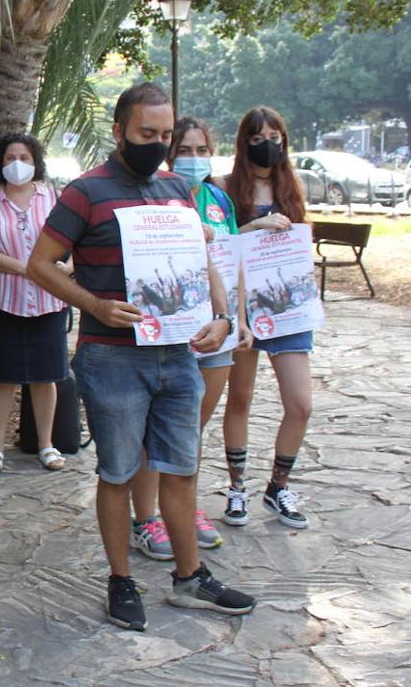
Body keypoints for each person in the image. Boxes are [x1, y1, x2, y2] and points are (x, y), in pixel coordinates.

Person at [27, 83, 256, 631]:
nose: (157, 144)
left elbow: (206, 260)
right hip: (112, 359)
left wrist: (222, 316)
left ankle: (189, 578)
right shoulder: (85, 192)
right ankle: (121, 579)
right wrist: (96, 307)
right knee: (119, 473)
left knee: (181, 468)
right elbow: (40, 264)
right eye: (144, 134)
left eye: (164, 134)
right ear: (118, 132)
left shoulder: (178, 189)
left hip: (178, 354)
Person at [126, 116, 252, 561]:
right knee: (152, 431)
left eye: (202, 150)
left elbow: (232, 260)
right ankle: (145, 517)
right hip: (172, 331)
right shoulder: (155, 194)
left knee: (189, 430)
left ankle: (184, 507)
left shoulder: (219, 198)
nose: (195, 159)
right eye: (185, 150)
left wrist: (239, 319)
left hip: (215, 330)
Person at [219, 106, 314, 530]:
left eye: (275, 135)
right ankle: (237, 488)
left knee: (301, 403)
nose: (268, 143)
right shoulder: (223, 188)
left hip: (288, 310)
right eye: (258, 137)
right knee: (239, 399)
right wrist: (250, 231)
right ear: (244, 142)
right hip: (244, 311)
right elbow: (217, 247)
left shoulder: (292, 187)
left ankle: (278, 485)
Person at [0, 132, 70, 474]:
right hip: (4, 301)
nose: (17, 164)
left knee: (46, 377)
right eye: (10, 158)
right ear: (0, 164)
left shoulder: (54, 196)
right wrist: (29, 269)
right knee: (3, 377)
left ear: (36, 162)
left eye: (25, 158)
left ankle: (46, 444)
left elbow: (73, 240)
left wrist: (65, 268)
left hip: (49, 301)